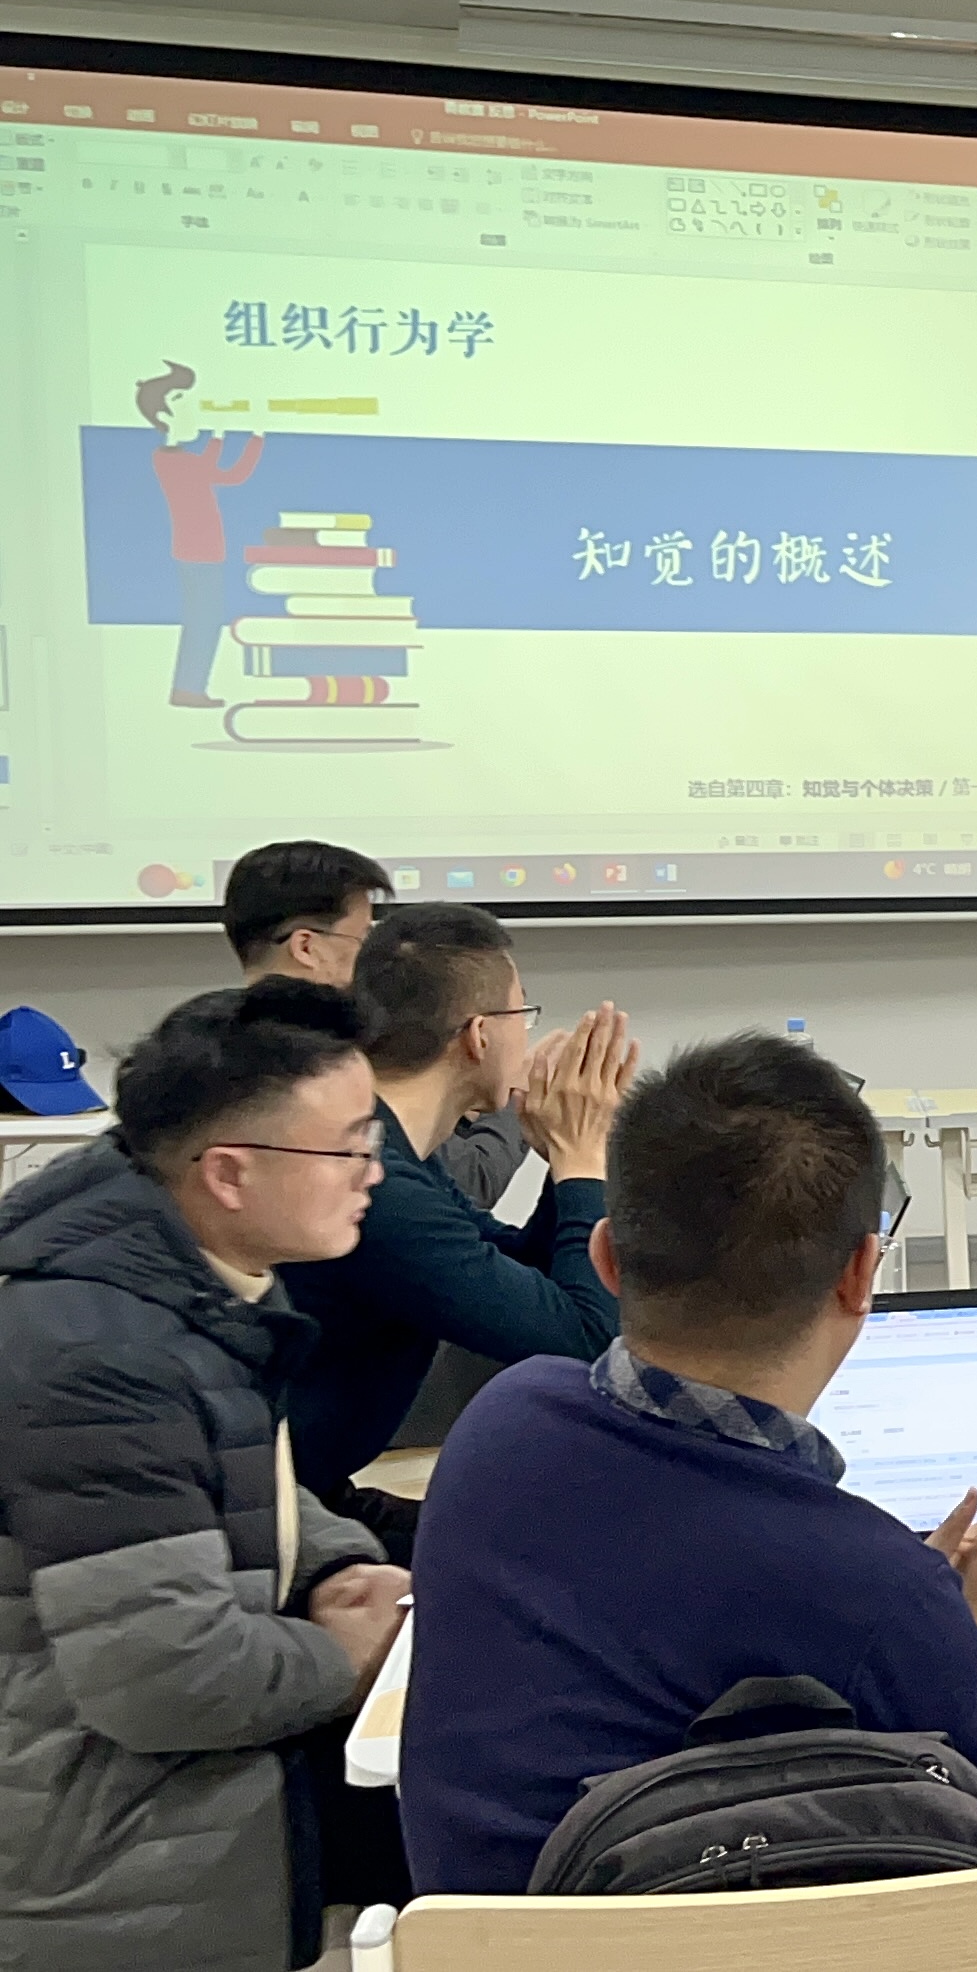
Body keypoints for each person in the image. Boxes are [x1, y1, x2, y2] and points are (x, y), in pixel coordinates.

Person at [400, 1033, 977, 1893]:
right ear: (861, 1273)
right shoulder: (878, 1590)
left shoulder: (498, 1425)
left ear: (607, 1256)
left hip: (477, 1941)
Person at [0, 980, 411, 1972]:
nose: (373, 1175)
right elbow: (167, 1680)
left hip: (168, 1816)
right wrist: (347, 1655)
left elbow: (226, 1469)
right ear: (229, 1172)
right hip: (108, 1857)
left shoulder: (172, 1278)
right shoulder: (97, 1355)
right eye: (349, 1148)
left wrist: (334, 1566)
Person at [278, 904, 634, 1559]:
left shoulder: (390, 1150)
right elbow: (588, 1343)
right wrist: (582, 1160)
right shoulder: (375, 1185)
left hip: (311, 1494)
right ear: (479, 1035)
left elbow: (517, 1273)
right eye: (522, 1015)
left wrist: (565, 1161)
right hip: (269, 1519)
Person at [224, 839, 528, 1210]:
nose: (376, 953)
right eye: (364, 936)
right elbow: (469, 1179)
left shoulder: (209, 1044)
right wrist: (516, 1089)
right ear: (306, 947)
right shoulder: (330, 1064)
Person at [140, 360, 260, 709]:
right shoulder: (171, 460)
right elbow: (228, 474)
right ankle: (188, 689)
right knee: (203, 622)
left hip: (201, 551)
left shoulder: (173, 459)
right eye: (181, 401)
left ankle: (189, 688)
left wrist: (225, 437)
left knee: (202, 621)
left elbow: (214, 469)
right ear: (164, 416)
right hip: (199, 552)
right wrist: (251, 437)